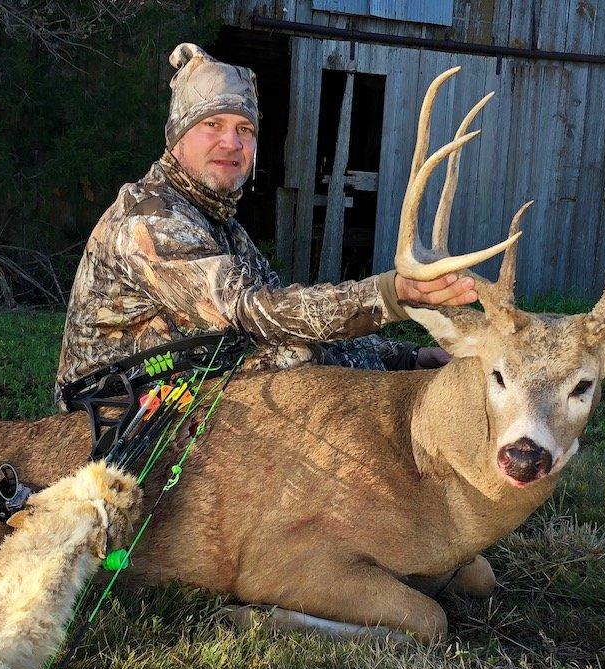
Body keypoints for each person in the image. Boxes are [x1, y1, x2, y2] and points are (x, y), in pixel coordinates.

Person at [55, 43, 478, 403]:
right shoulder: (149, 218)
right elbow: (252, 313)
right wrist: (390, 294)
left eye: (245, 129)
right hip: (108, 402)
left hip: (181, 375)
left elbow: (290, 314)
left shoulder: (220, 223)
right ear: (177, 137)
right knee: (294, 359)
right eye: (212, 125)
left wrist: (405, 358)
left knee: (296, 347)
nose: (231, 142)